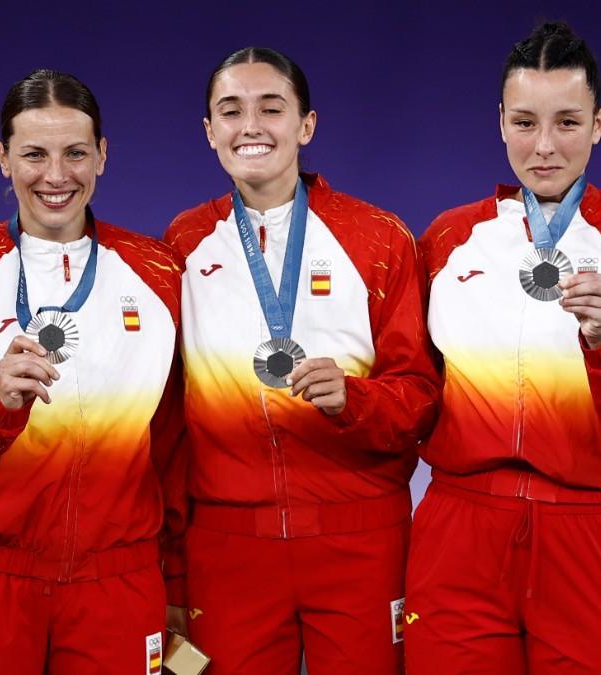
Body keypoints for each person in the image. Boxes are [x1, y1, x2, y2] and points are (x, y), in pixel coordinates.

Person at [405, 21, 601, 674]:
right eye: (525, 122)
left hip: (590, 531)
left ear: (598, 124)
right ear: (500, 122)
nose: (543, 147)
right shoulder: (447, 240)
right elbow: (412, 390)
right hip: (460, 530)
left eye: (566, 122)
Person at [163, 47, 439, 673]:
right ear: (210, 132)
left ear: (306, 125)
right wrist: (172, 558)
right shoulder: (181, 246)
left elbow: (422, 395)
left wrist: (355, 399)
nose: (251, 126)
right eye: (230, 111)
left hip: (360, 538)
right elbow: (169, 420)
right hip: (226, 545)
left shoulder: (377, 239)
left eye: (271, 108)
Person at [0, 69, 184, 675]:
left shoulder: (160, 275)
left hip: (118, 578)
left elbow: (173, 445)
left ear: (103, 157)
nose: (56, 176)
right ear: (3, 159)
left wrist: (178, 577)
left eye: (75, 153)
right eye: (34, 154)